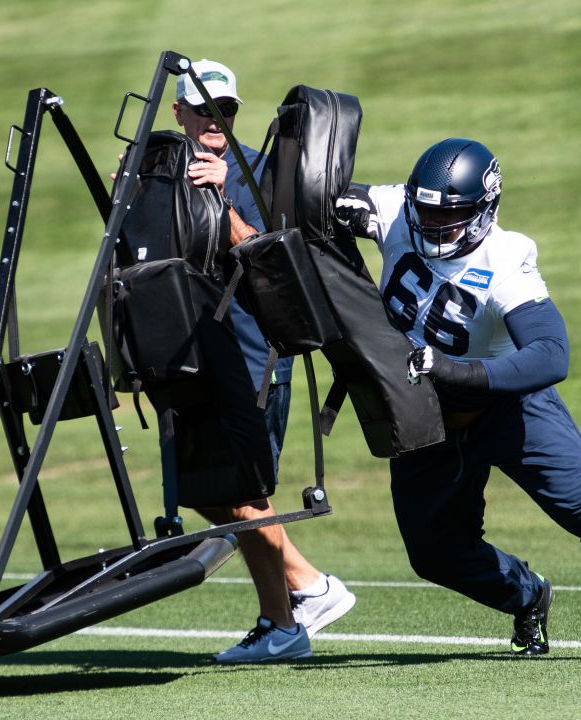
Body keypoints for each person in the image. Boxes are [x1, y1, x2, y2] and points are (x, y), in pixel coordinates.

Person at [332, 138, 581, 660]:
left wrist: (457, 371)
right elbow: (333, 194)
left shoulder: (507, 260)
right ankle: (527, 593)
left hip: (508, 407)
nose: (432, 228)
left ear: (485, 211)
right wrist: (331, 198)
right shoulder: (398, 210)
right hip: (426, 417)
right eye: (425, 213)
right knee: (433, 556)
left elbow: (552, 355)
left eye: (449, 218)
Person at [172, 59, 355, 663]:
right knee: (201, 488)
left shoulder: (256, 171)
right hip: (194, 356)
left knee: (245, 493)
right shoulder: (164, 172)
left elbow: (267, 257)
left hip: (255, 353)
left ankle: (281, 625)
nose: (218, 122)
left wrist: (221, 197)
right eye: (206, 111)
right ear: (180, 115)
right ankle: (309, 587)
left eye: (227, 110)